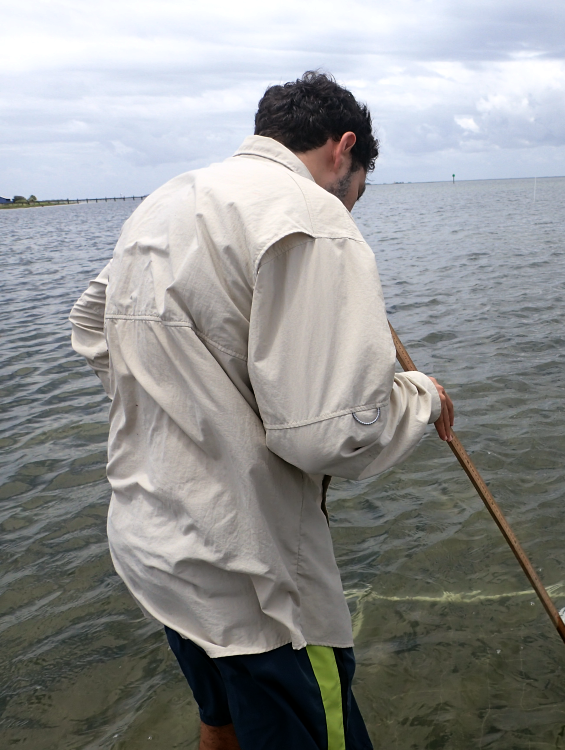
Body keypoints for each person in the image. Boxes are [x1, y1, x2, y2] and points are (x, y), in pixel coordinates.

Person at [69, 71, 455, 750]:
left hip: (154, 547)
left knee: (221, 724)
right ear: (345, 149)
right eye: (358, 188)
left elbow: (93, 329)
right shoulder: (316, 218)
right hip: (251, 584)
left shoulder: (166, 200)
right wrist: (421, 399)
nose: (353, 205)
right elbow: (334, 435)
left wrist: (195, 403)